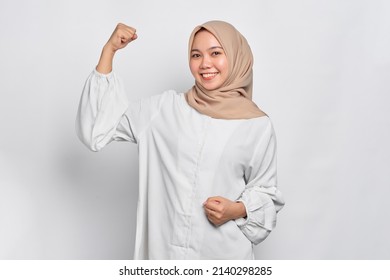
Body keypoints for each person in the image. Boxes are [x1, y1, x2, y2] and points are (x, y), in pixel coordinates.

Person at [76, 20, 285, 260]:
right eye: (196, 55)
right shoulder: (162, 110)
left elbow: (266, 193)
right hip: (165, 257)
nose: (205, 63)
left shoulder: (257, 125)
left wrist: (236, 209)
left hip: (224, 258)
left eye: (215, 53)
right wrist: (108, 51)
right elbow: (96, 128)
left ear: (237, 57)